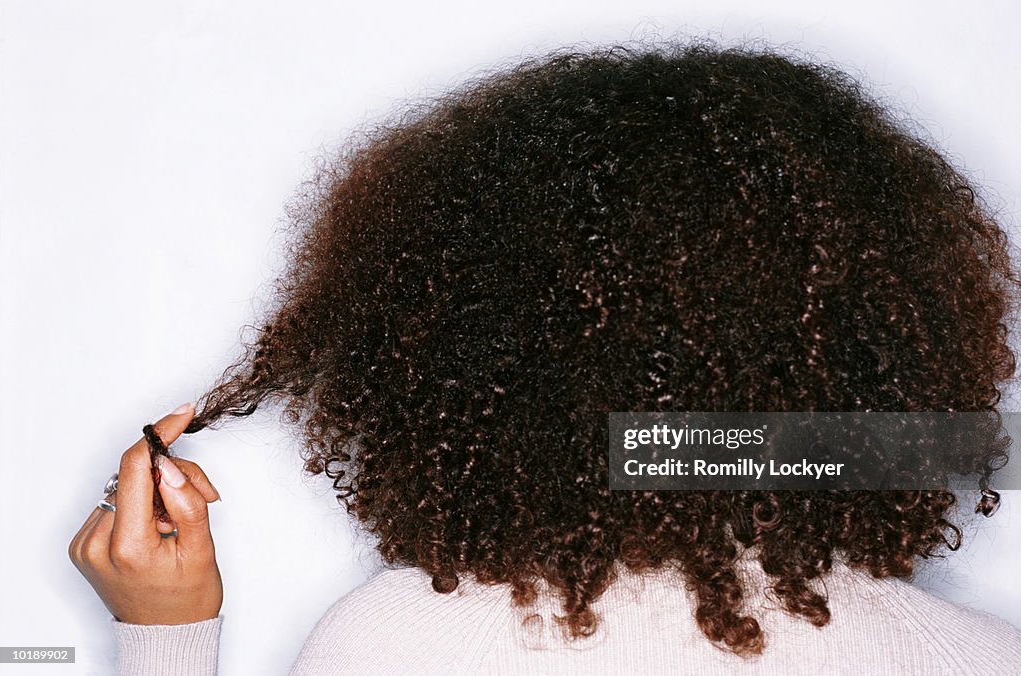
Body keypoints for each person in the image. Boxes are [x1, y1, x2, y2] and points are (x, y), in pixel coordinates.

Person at [69, 41, 1021, 674]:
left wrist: (165, 635)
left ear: (449, 360)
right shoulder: (979, 656)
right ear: (893, 342)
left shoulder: (399, 645)